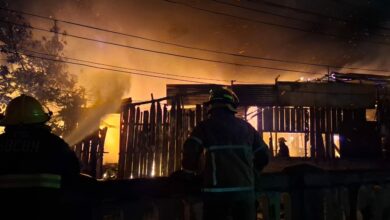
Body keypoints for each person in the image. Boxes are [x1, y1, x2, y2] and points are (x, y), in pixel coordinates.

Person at [181, 87, 269, 220]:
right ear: (232, 106)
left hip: (216, 196)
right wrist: (251, 172)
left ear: (211, 106)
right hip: (245, 194)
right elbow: (264, 156)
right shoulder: (247, 128)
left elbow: (190, 151)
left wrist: (188, 175)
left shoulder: (205, 127)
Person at [0, 94, 80, 219]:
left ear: (8, 122)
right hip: (47, 213)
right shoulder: (55, 144)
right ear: (41, 121)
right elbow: (73, 174)